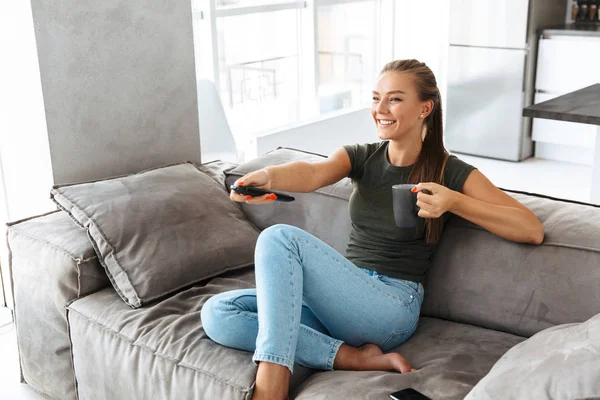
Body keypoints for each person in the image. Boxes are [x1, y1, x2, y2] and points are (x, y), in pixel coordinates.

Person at [200, 59, 545, 400]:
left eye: (394, 98)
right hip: (343, 299)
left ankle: (271, 386)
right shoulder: (362, 157)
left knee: (279, 238)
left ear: (425, 108)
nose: (381, 108)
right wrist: (267, 176)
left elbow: (530, 229)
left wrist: (455, 202)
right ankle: (350, 357)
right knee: (218, 313)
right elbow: (314, 173)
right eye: (376, 97)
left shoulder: (451, 172)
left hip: (391, 305)